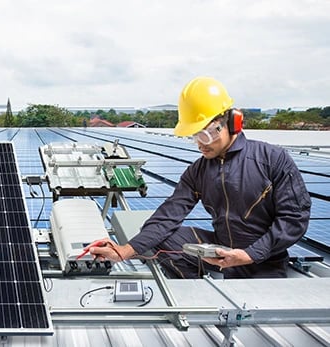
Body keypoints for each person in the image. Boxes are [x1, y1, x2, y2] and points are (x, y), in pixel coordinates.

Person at [88, 76, 311, 279]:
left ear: (232, 122)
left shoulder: (272, 159)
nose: (200, 144)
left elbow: (294, 219)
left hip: (263, 260)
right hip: (221, 250)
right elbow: (168, 216)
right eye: (195, 136)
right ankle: (196, 289)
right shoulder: (199, 171)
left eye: (206, 134)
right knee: (164, 239)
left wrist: (249, 254)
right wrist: (124, 251)